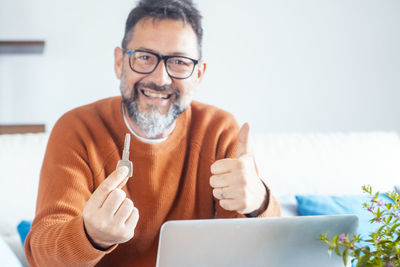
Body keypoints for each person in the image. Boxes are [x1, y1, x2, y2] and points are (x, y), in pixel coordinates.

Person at [25, 0, 281, 266]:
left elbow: (260, 251)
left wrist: (259, 201)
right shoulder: (76, 129)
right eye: (145, 57)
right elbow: (41, 255)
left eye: (179, 62)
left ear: (199, 74)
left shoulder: (219, 131)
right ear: (118, 62)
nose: (160, 79)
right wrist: (90, 236)